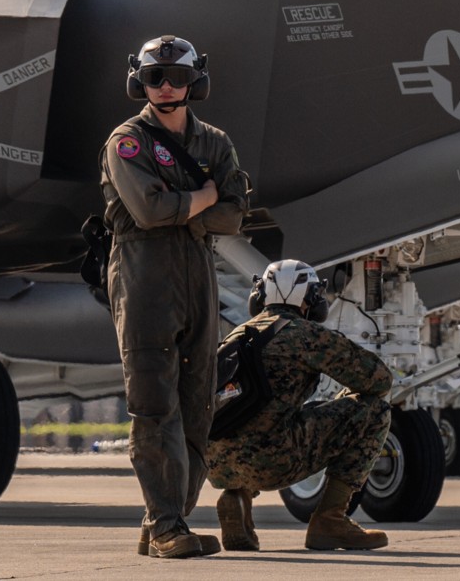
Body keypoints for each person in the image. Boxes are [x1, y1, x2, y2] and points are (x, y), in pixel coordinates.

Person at [99, 35, 252, 559]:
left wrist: (183, 204)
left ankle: (166, 518)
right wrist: (205, 196)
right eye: (154, 78)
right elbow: (146, 211)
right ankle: (166, 524)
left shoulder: (215, 142)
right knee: (153, 404)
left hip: (197, 271)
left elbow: (234, 216)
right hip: (144, 276)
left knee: (197, 401)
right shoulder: (128, 142)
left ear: (196, 82)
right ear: (138, 82)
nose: (165, 87)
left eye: (177, 78)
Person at [206, 259, 394, 552]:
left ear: (260, 296)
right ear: (313, 299)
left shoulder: (235, 335)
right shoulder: (306, 334)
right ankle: (330, 521)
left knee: (266, 416)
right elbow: (379, 380)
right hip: (272, 462)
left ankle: (236, 497)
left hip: (218, 465)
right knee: (375, 411)